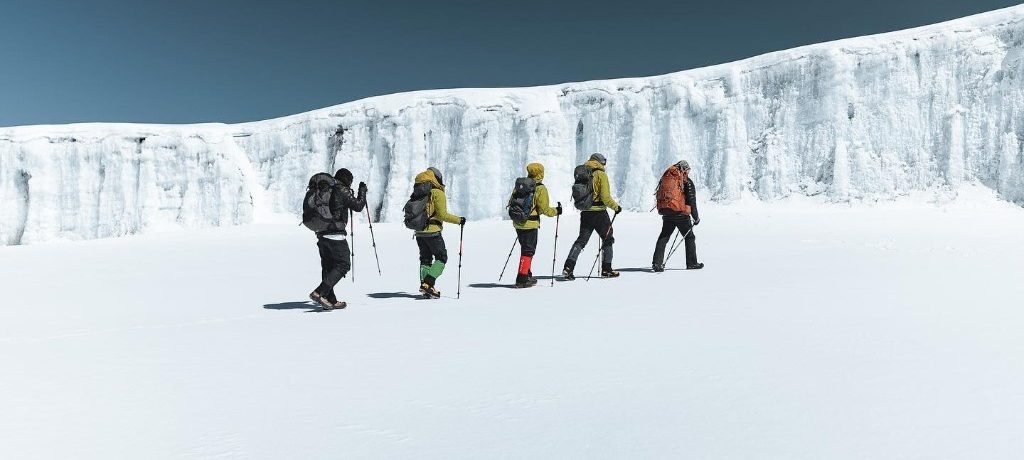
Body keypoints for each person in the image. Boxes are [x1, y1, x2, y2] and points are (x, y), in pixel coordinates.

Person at [310, 168, 367, 309]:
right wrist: (362, 191)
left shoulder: (327, 189)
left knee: (328, 267)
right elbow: (358, 206)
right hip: (335, 234)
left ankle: (330, 300)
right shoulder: (341, 189)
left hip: (321, 233)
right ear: (347, 179)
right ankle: (319, 292)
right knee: (343, 264)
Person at [562, 153, 622, 280]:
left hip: (585, 212)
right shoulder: (601, 174)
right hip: (599, 212)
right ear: (600, 162)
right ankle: (607, 269)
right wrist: (616, 207)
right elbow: (605, 197)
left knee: (581, 240)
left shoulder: (583, 172)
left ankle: (568, 267)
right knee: (608, 238)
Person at [413, 167, 465, 298]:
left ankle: (427, 287)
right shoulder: (437, 192)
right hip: (433, 232)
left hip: (419, 231)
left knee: (425, 259)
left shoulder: (417, 191)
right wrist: (459, 220)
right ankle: (427, 284)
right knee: (441, 258)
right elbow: (442, 215)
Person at [510, 163, 562, 288]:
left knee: (525, 249)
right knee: (528, 251)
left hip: (518, 223)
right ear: (541, 173)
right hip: (531, 224)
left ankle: (527, 274)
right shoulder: (540, 188)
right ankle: (522, 279)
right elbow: (544, 209)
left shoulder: (520, 185)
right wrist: (557, 211)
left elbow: (511, 202)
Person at [651, 160, 703, 271]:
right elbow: (692, 202)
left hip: (667, 212)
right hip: (681, 214)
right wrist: (696, 218)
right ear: (685, 170)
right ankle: (692, 263)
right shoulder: (687, 182)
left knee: (664, 237)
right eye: (688, 170)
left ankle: (657, 263)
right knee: (689, 237)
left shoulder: (667, 177)